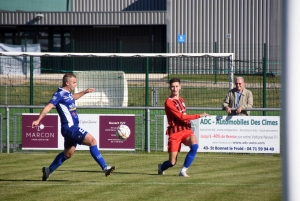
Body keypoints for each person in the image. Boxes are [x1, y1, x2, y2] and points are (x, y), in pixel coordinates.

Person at [32, 73, 115, 181]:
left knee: (68, 153)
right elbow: (48, 107)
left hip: (71, 128)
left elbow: (73, 98)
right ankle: (105, 167)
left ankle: (48, 170)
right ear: (67, 83)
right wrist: (38, 120)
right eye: (74, 82)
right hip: (70, 128)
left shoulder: (68, 94)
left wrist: (85, 91)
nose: (75, 84)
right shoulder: (59, 94)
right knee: (92, 141)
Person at [158, 78, 209, 177]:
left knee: (194, 146)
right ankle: (161, 167)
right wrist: (199, 115)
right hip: (175, 132)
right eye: (173, 86)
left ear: (180, 87)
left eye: (177, 86)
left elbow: (184, 116)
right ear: (169, 88)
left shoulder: (181, 100)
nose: (175, 88)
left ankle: (183, 170)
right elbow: (181, 117)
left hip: (186, 129)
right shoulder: (169, 102)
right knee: (172, 162)